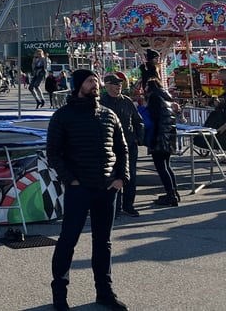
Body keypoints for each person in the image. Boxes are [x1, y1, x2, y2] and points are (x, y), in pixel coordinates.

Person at [46, 69, 129, 311]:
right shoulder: (63, 116)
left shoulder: (108, 114)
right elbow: (53, 152)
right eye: (90, 80)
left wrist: (121, 178)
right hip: (79, 188)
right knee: (68, 240)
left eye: (96, 80)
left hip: (107, 187)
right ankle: (60, 294)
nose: (95, 84)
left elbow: (122, 149)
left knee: (103, 242)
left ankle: (105, 291)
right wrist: (70, 179)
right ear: (78, 85)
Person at [100, 73, 145, 217]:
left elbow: (138, 121)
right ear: (106, 86)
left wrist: (139, 138)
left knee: (130, 176)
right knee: (112, 176)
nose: (118, 86)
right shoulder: (101, 102)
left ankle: (128, 205)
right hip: (110, 146)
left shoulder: (126, 101)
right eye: (115, 83)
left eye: (119, 83)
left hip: (129, 145)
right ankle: (115, 207)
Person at [145, 78, 179, 207]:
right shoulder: (166, 97)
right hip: (169, 135)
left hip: (159, 136)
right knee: (167, 166)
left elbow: (154, 118)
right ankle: (174, 192)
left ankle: (170, 195)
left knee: (161, 167)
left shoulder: (154, 98)